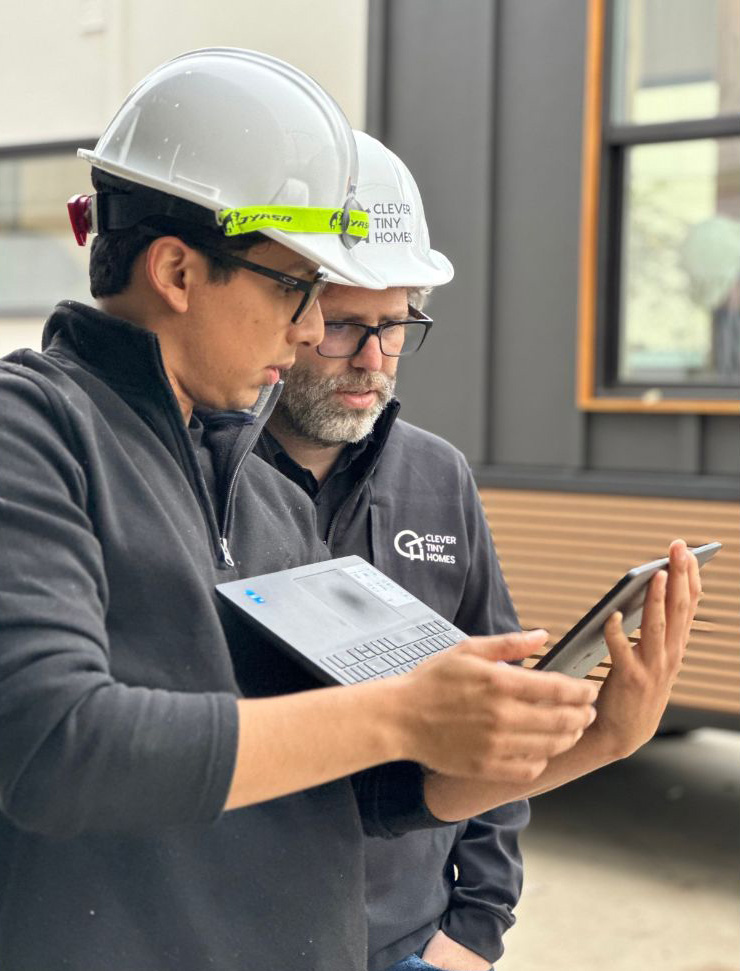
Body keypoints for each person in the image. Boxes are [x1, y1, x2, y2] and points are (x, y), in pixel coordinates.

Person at [0, 48, 609, 971]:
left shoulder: (266, 493)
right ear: (176, 268)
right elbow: (56, 743)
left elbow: (364, 793)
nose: (310, 329)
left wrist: (594, 738)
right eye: (297, 286)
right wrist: (402, 711)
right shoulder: (33, 430)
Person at [257, 131, 703, 971]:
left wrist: (475, 928)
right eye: (348, 326)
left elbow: (503, 703)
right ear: (287, 313)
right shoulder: (204, 478)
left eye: (397, 326)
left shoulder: (437, 475)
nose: (375, 359)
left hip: (412, 944)